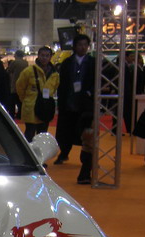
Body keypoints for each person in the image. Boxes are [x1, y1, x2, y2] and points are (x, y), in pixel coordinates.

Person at [54, 33, 95, 164]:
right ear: (75, 46)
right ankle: (64, 153)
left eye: (85, 45)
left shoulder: (93, 62)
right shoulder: (67, 62)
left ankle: (87, 159)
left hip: (85, 103)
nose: (83, 47)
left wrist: (90, 93)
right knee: (66, 130)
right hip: (68, 102)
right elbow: (62, 83)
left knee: (86, 131)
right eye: (80, 45)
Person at [16, 46, 59, 141]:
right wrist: (26, 100)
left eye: (47, 56)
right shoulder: (28, 71)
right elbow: (20, 87)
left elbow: (54, 88)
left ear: (50, 57)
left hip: (45, 108)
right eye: (42, 55)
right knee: (29, 135)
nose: (44, 58)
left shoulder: (54, 74)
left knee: (42, 136)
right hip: (31, 108)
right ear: (38, 56)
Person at [123, 51, 144, 134]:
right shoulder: (132, 68)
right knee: (130, 112)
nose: (132, 58)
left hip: (136, 92)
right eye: (131, 56)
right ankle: (131, 129)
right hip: (132, 93)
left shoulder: (136, 67)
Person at [6, 49, 28, 119]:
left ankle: (12, 115)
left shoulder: (15, 62)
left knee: (12, 101)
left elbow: (9, 70)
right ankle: (20, 114)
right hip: (23, 85)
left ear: (16, 55)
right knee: (20, 102)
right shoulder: (26, 63)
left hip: (15, 84)